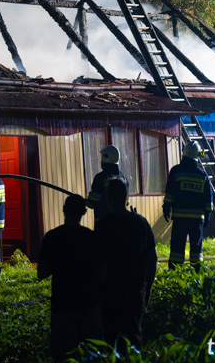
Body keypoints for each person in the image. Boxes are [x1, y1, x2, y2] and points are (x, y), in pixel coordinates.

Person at [38, 194, 105, 361]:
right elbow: (102, 272)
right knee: (93, 355)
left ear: (63, 210)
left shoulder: (52, 237)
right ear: (83, 213)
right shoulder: (91, 238)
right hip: (89, 305)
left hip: (62, 305)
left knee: (63, 355)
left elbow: (42, 273)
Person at [95, 179, 157, 352]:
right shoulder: (141, 223)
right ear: (126, 197)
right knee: (133, 341)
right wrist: (148, 287)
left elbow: (98, 264)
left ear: (108, 199)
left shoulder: (102, 227)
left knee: (108, 342)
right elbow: (152, 258)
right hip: (135, 293)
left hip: (110, 295)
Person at [162, 140, 213, 270]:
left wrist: (166, 208)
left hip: (180, 218)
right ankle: (197, 272)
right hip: (197, 219)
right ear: (197, 155)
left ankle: (175, 272)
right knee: (196, 247)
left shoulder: (176, 171)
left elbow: (170, 193)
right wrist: (207, 215)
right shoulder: (203, 174)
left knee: (177, 247)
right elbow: (208, 198)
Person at [86, 145, 129, 224]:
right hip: (122, 224)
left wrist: (84, 201)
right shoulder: (124, 179)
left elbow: (91, 203)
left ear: (105, 158)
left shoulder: (100, 178)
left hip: (104, 225)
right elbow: (127, 202)